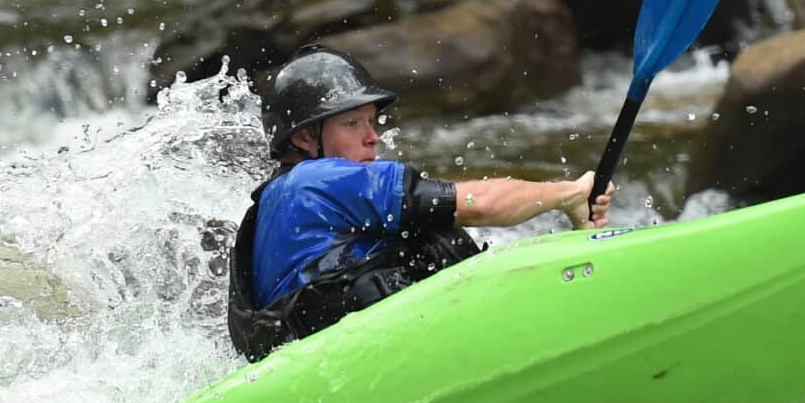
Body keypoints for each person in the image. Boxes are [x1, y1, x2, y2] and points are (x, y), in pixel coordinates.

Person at [227, 45, 614, 361]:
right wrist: (570, 195)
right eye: (352, 124)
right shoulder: (320, 180)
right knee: (435, 224)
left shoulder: (268, 207)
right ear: (306, 138)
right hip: (372, 360)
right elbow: (480, 205)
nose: (372, 137)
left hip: (330, 366)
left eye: (371, 121)